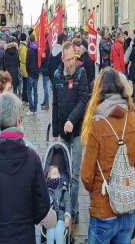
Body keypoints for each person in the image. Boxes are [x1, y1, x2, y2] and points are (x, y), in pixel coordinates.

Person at [80, 67, 135, 243]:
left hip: (103, 209)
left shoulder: (97, 123)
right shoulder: (132, 118)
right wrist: (124, 180)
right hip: (127, 210)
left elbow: (86, 175)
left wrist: (99, 189)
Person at [0, 93, 50, 243]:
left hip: (0, 237)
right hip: (26, 236)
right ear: (18, 121)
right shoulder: (33, 159)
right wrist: (28, 221)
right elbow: (43, 203)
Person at [52, 42, 89, 222]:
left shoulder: (81, 74)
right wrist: (55, 131)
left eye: (73, 59)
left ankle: (73, 212)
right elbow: (55, 104)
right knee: (62, 173)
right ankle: (63, 207)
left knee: (74, 174)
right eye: (67, 60)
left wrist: (71, 120)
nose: (71, 63)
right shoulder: (57, 75)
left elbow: (83, 100)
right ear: (62, 59)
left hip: (77, 131)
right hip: (62, 132)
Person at [0, 71, 37, 156]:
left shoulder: (10, 109)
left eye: (11, 88)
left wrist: (32, 148)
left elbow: (18, 137)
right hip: (6, 162)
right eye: (9, 89)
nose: (12, 92)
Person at [45, 166, 71, 244]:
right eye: (54, 173)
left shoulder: (63, 188)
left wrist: (67, 216)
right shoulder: (46, 191)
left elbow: (67, 202)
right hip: (51, 218)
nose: (57, 175)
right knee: (50, 234)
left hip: (61, 217)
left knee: (58, 233)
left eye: (58, 173)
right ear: (49, 177)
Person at [26, 34, 40, 115]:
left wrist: (28, 71)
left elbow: (27, 63)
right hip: (36, 73)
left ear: (30, 40)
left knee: (29, 92)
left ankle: (31, 109)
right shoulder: (38, 49)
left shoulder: (29, 50)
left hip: (31, 73)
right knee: (35, 92)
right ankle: (35, 109)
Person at [41, 34, 51, 110]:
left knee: (45, 87)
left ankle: (47, 102)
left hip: (45, 69)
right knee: (45, 86)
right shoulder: (49, 46)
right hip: (48, 69)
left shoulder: (45, 48)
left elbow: (43, 59)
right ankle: (45, 100)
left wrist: (40, 56)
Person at [19, 33, 29, 105]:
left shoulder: (21, 45)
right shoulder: (24, 47)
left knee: (24, 83)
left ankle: (24, 98)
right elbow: (25, 59)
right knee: (25, 84)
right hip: (24, 67)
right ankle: (25, 99)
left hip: (22, 66)